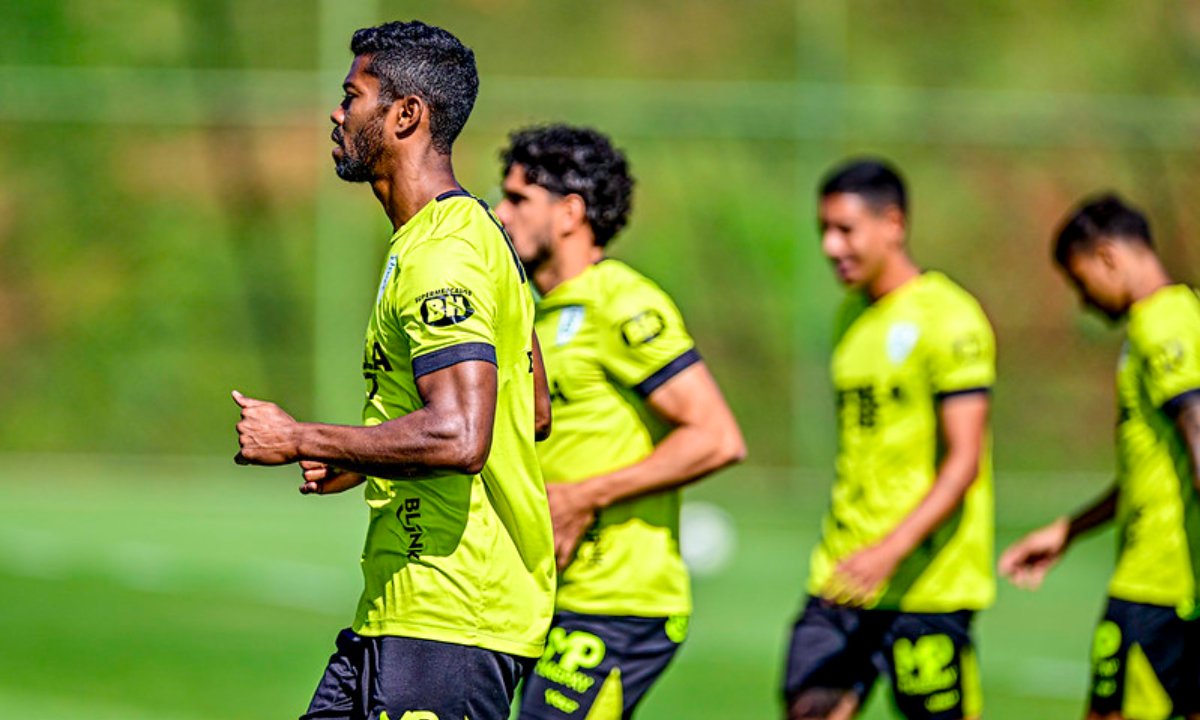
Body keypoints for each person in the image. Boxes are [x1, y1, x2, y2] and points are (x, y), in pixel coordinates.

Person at [231, 20, 556, 720]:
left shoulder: (447, 254)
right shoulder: (460, 238)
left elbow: (463, 436)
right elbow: (528, 410)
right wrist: (370, 459)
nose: (337, 112)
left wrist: (303, 438)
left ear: (407, 114)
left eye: (353, 96)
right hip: (403, 609)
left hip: (451, 617)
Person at [493, 124, 746, 719]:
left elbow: (716, 437)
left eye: (518, 199)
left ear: (569, 212)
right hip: (544, 594)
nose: (501, 214)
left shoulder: (621, 303)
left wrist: (583, 497)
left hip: (620, 605)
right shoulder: (531, 311)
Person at [782, 159, 995, 720]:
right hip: (844, 571)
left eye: (845, 229)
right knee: (806, 704)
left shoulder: (949, 318)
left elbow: (965, 459)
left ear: (893, 224)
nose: (830, 246)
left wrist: (891, 550)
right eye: (823, 230)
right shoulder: (850, 318)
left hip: (927, 582)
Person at [999, 194, 1200, 720]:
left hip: (1158, 589)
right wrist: (1068, 529)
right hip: (1163, 584)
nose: (1083, 300)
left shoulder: (1164, 324)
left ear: (1108, 256)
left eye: (1080, 280)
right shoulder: (1171, 321)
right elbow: (1155, 469)